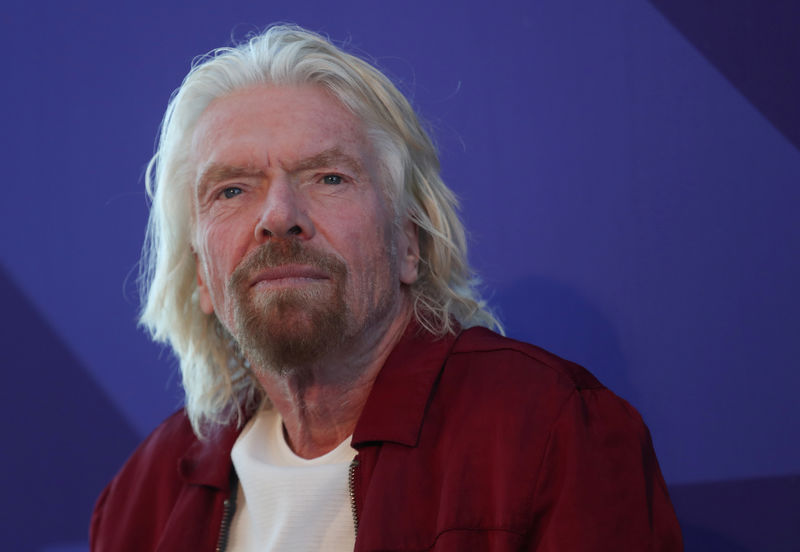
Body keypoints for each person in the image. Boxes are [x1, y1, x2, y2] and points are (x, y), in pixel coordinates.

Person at [90, 25, 682, 551]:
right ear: (201, 276)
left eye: (328, 176)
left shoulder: (550, 431)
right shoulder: (146, 493)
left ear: (408, 242)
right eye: (232, 190)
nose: (278, 214)